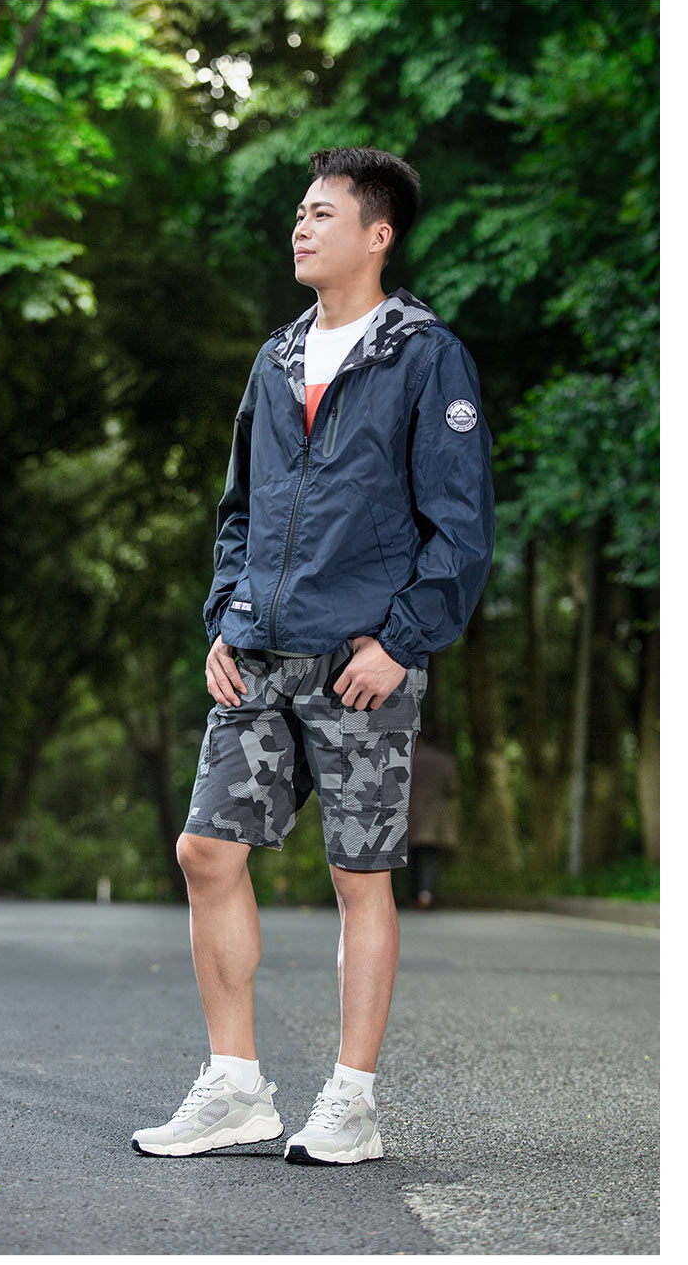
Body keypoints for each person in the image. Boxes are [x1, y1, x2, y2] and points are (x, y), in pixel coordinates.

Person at [132, 145, 495, 1165]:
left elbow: (461, 524)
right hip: (257, 648)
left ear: (377, 234)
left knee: (357, 873)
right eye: (298, 212)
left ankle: (351, 1100)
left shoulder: (425, 357)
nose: (300, 226)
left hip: (358, 656)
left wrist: (402, 641)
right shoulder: (277, 357)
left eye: (321, 213)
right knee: (205, 852)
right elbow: (240, 508)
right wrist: (224, 616)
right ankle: (235, 1087)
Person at [406, 727, 460, 909]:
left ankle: (413, 895)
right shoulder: (445, 761)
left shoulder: (411, 760)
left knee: (413, 857)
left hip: (412, 814)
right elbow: (452, 788)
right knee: (431, 856)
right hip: (435, 817)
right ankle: (427, 893)